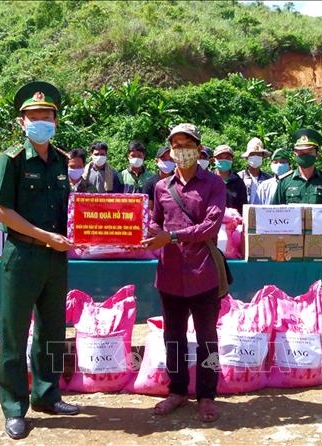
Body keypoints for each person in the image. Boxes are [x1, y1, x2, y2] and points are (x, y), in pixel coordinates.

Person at [0, 81, 79, 440]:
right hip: (22, 254)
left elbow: (70, 212)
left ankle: (47, 394)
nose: (41, 121)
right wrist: (46, 238)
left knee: (53, 331)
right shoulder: (10, 160)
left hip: (55, 260)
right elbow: (2, 212)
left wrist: (82, 234)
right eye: (34, 117)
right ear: (22, 122)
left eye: (47, 116)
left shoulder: (61, 162)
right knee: (14, 333)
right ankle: (14, 407)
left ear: (56, 120)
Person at [142, 123, 226, 423]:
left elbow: (211, 226)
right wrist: (142, 229)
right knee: (173, 336)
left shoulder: (214, 184)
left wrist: (173, 237)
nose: (181, 149)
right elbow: (153, 222)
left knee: (208, 338)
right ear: (169, 151)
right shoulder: (161, 187)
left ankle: (207, 396)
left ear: (199, 148)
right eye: (175, 145)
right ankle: (177, 391)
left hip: (203, 272)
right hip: (170, 274)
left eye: (186, 143)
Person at [272, 129, 322, 205]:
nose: (305, 154)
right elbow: (276, 212)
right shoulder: (285, 182)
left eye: (309, 151)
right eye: (301, 152)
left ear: (317, 154)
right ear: (295, 154)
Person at [213, 144, 247, 215]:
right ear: (214, 159)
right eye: (220, 157)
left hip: (234, 223)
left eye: (227, 158)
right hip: (212, 223)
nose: (224, 160)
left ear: (232, 160)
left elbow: (243, 208)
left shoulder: (239, 182)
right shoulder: (208, 180)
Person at [238, 137, 272, 203]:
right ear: (247, 157)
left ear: (263, 157)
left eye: (258, 154)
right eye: (252, 154)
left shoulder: (268, 179)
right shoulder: (239, 177)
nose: (256, 156)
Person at [142, 145, 175, 211]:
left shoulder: (180, 181)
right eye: (163, 158)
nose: (167, 161)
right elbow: (148, 210)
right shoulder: (149, 183)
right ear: (156, 161)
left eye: (171, 159)